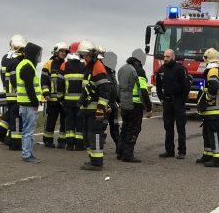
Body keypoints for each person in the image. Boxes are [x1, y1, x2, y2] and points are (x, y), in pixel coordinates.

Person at [79, 41, 113, 170]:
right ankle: (92, 159)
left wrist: (101, 108)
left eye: (87, 55)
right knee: (87, 136)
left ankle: (97, 163)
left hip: (95, 110)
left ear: (93, 55)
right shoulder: (88, 67)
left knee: (95, 135)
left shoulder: (98, 67)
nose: (85, 58)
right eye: (83, 55)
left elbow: (105, 90)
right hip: (87, 109)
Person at [117, 49, 152, 162]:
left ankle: (120, 151)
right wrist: (149, 107)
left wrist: (119, 101)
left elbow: (119, 87)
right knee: (133, 129)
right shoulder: (139, 70)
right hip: (135, 105)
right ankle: (128, 154)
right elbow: (143, 90)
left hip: (124, 104)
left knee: (125, 127)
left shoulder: (123, 68)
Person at [155, 48, 189, 158]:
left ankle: (182, 151)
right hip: (167, 101)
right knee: (168, 127)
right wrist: (161, 99)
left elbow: (186, 86)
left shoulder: (180, 69)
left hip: (178, 101)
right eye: (164, 56)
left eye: (168, 57)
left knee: (180, 127)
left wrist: (182, 100)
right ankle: (169, 150)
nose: (165, 58)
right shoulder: (161, 69)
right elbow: (158, 86)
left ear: (173, 57)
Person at [197, 47, 219, 168]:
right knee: (207, 133)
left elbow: (213, 87)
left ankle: (218, 159)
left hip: (213, 109)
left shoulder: (213, 70)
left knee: (214, 133)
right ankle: (208, 155)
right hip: (214, 109)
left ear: (207, 59)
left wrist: (208, 100)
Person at [15, 42, 43, 162]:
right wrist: (35, 102)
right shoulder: (27, 66)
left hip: (25, 103)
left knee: (28, 130)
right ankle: (27, 154)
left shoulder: (25, 64)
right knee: (28, 131)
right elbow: (29, 87)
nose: (38, 57)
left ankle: (28, 153)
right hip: (28, 104)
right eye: (37, 54)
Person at [41, 42, 68, 148]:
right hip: (51, 99)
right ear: (56, 52)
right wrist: (46, 92)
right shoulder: (48, 64)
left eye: (65, 51)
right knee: (51, 121)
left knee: (64, 121)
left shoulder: (67, 64)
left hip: (64, 99)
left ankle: (62, 141)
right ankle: (48, 140)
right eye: (61, 51)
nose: (64, 53)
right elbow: (44, 80)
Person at [62, 42, 86, 150]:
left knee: (69, 122)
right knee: (79, 122)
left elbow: (60, 83)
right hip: (80, 100)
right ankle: (79, 145)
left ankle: (70, 144)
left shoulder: (64, 65)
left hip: (67, 100)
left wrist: (60, 98)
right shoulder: (84, 65)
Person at [5, 34, 27, 151]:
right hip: (16, 96)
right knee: (17, 120)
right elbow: (15, 81)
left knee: (15, 120)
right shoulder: (16, 63)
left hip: (11, 96)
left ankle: (12, 141)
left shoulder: (11, 61)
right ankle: (16, 144)